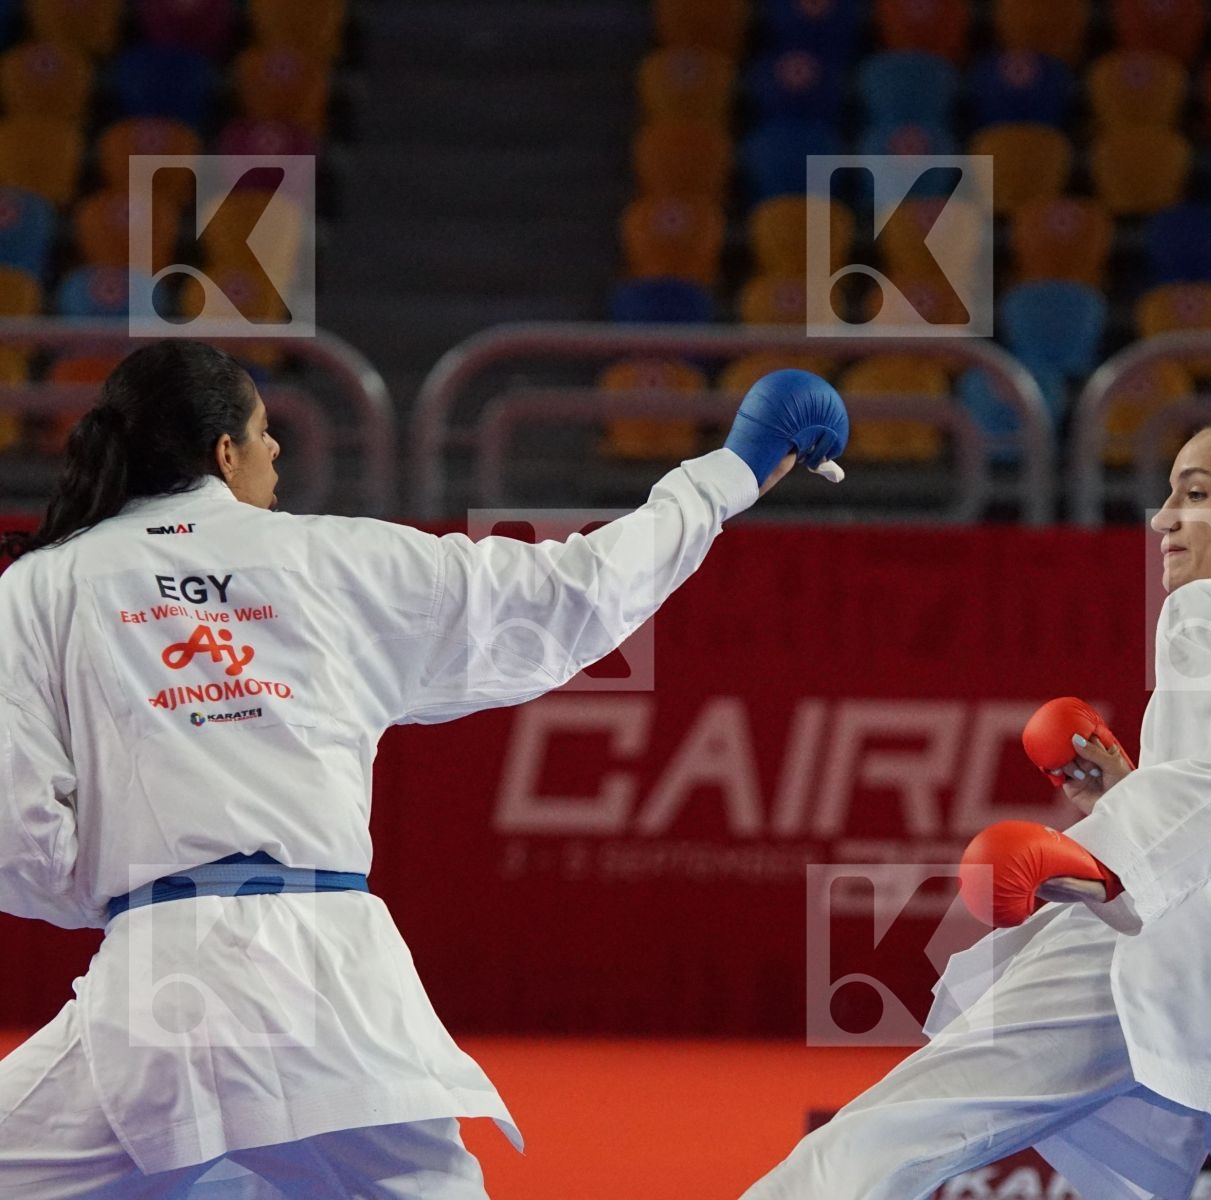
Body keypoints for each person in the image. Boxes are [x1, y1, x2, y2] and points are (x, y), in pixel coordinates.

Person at [0, 342, 848, 1198]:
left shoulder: (40, 588)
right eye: (264, 434)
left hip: (153, 989)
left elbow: (20, 833)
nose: (277, 451)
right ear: (225, 453)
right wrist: (729, 474)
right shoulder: (337, 560)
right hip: (332, 986)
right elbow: (572, 592)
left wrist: (138, 892)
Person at [745, 413, 1211, 1200]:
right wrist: (1132, 795)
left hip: (1187, 927)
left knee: (905, 1127)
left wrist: (1102, 861)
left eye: (1195, 493)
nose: (1163, 518)